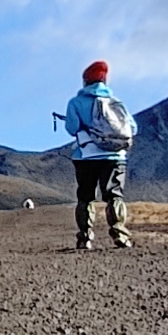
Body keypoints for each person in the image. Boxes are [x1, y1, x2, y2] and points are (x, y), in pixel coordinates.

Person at [57, 59, 134, 251]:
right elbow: (132, 127)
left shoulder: (75, 103)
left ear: (85, 81)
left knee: (86, 197)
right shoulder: (116, 103)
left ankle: (85, 238)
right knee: (114, 195)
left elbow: (72, 128)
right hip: (115, 157)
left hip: (86, 157)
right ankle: (120, 234)